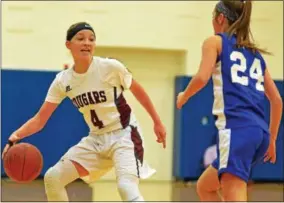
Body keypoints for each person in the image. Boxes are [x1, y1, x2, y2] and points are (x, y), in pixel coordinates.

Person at [2, 22, 167, 202]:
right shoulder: (63, 81)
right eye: (80, 39)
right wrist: (14, 137)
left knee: (126, 187)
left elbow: (138, 91)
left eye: (91, 39)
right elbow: (40, 119)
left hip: (125, 135)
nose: (87, 43)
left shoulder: (110, 67)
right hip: (96, 139)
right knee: (53, 178)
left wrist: (157, 122)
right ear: (68, 45)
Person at [176, 0, 282, 201]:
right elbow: (277, 100)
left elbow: (201, 78)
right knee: (205, 187)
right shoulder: (255, 54)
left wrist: (184, 96)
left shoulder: (215, 42)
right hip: (260, 134)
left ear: (220, 18)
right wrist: (273, 139)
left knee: (235, 195)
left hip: (237, 130)